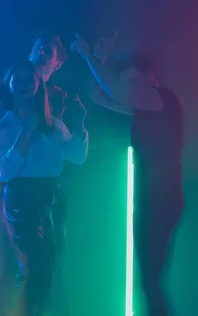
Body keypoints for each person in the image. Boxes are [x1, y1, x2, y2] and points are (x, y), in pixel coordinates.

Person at [72, 32, 184, 316]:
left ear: (149, 76)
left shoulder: (163, 99)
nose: (130, 89)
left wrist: (90, 57)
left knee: (150, 280)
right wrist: (99, 60)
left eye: (134, 81)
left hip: (162, 198)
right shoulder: (145, 105)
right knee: (149, 281)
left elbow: (113, 90)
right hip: (149, 199)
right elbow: (98, 94)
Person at [0, 33, 69, 316]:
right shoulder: (6, 85)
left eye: (47, 51)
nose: (40, 54)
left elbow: (64, 150)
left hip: (33, 200)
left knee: (33, 269)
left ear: (57, 63)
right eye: (36, 48)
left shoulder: (53, 99)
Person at [0, 61, 88, 316]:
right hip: (22, 200)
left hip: (52, 197)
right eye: (17, 78)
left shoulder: (53, 124)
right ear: (9, 84)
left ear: (38, 85)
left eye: (29, 79)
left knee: (52, 266)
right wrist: (26, 134)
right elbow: (6, 170)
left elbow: (77, 156)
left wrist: (79, 123)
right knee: (33, 268)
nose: (23, 83)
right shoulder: (3, 126)